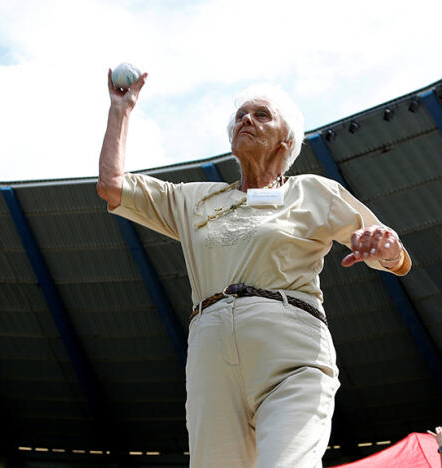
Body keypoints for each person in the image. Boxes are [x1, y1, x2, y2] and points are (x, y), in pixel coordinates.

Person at [97, 70, 411, 468]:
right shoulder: (193, 200)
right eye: (241, 115)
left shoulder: (312, 192)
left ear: (287, 141)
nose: (246, 120)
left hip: (291, 352)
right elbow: (111, 185)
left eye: (261, 115)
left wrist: (387, 246)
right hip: (210, 357)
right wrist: (120, 110)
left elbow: (395, 259)